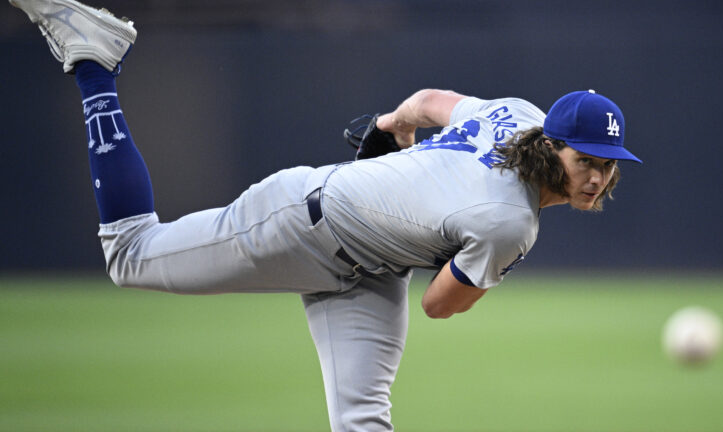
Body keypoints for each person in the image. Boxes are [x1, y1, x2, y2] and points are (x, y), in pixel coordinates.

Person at [11, 0, 642, 430]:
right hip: (300, 222)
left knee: (363, 417)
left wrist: (393, 130)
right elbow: (440, 305)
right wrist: (487, 259)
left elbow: (426, 102)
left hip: (371, 267)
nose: (598, 175)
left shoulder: (515, 112)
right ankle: (95, 62)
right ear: (552, 146)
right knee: (131, 255)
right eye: (587, 158)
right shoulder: (511, 225)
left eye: (610, 164)